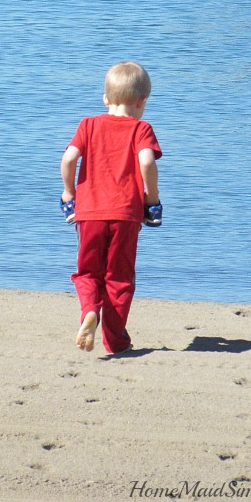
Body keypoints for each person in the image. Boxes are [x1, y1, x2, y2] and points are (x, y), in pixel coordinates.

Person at [60, 62, 162, 356]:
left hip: (89, 212)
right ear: (142, 102)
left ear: (105, 98)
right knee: (119, 277)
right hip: (126, 215)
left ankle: (90, 310)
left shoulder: (88, 125)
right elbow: (146, 162)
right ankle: (116, 340)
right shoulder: (142, 129)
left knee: (88, 271)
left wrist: (69, 191)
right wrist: (151, 199)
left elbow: (68, 160)